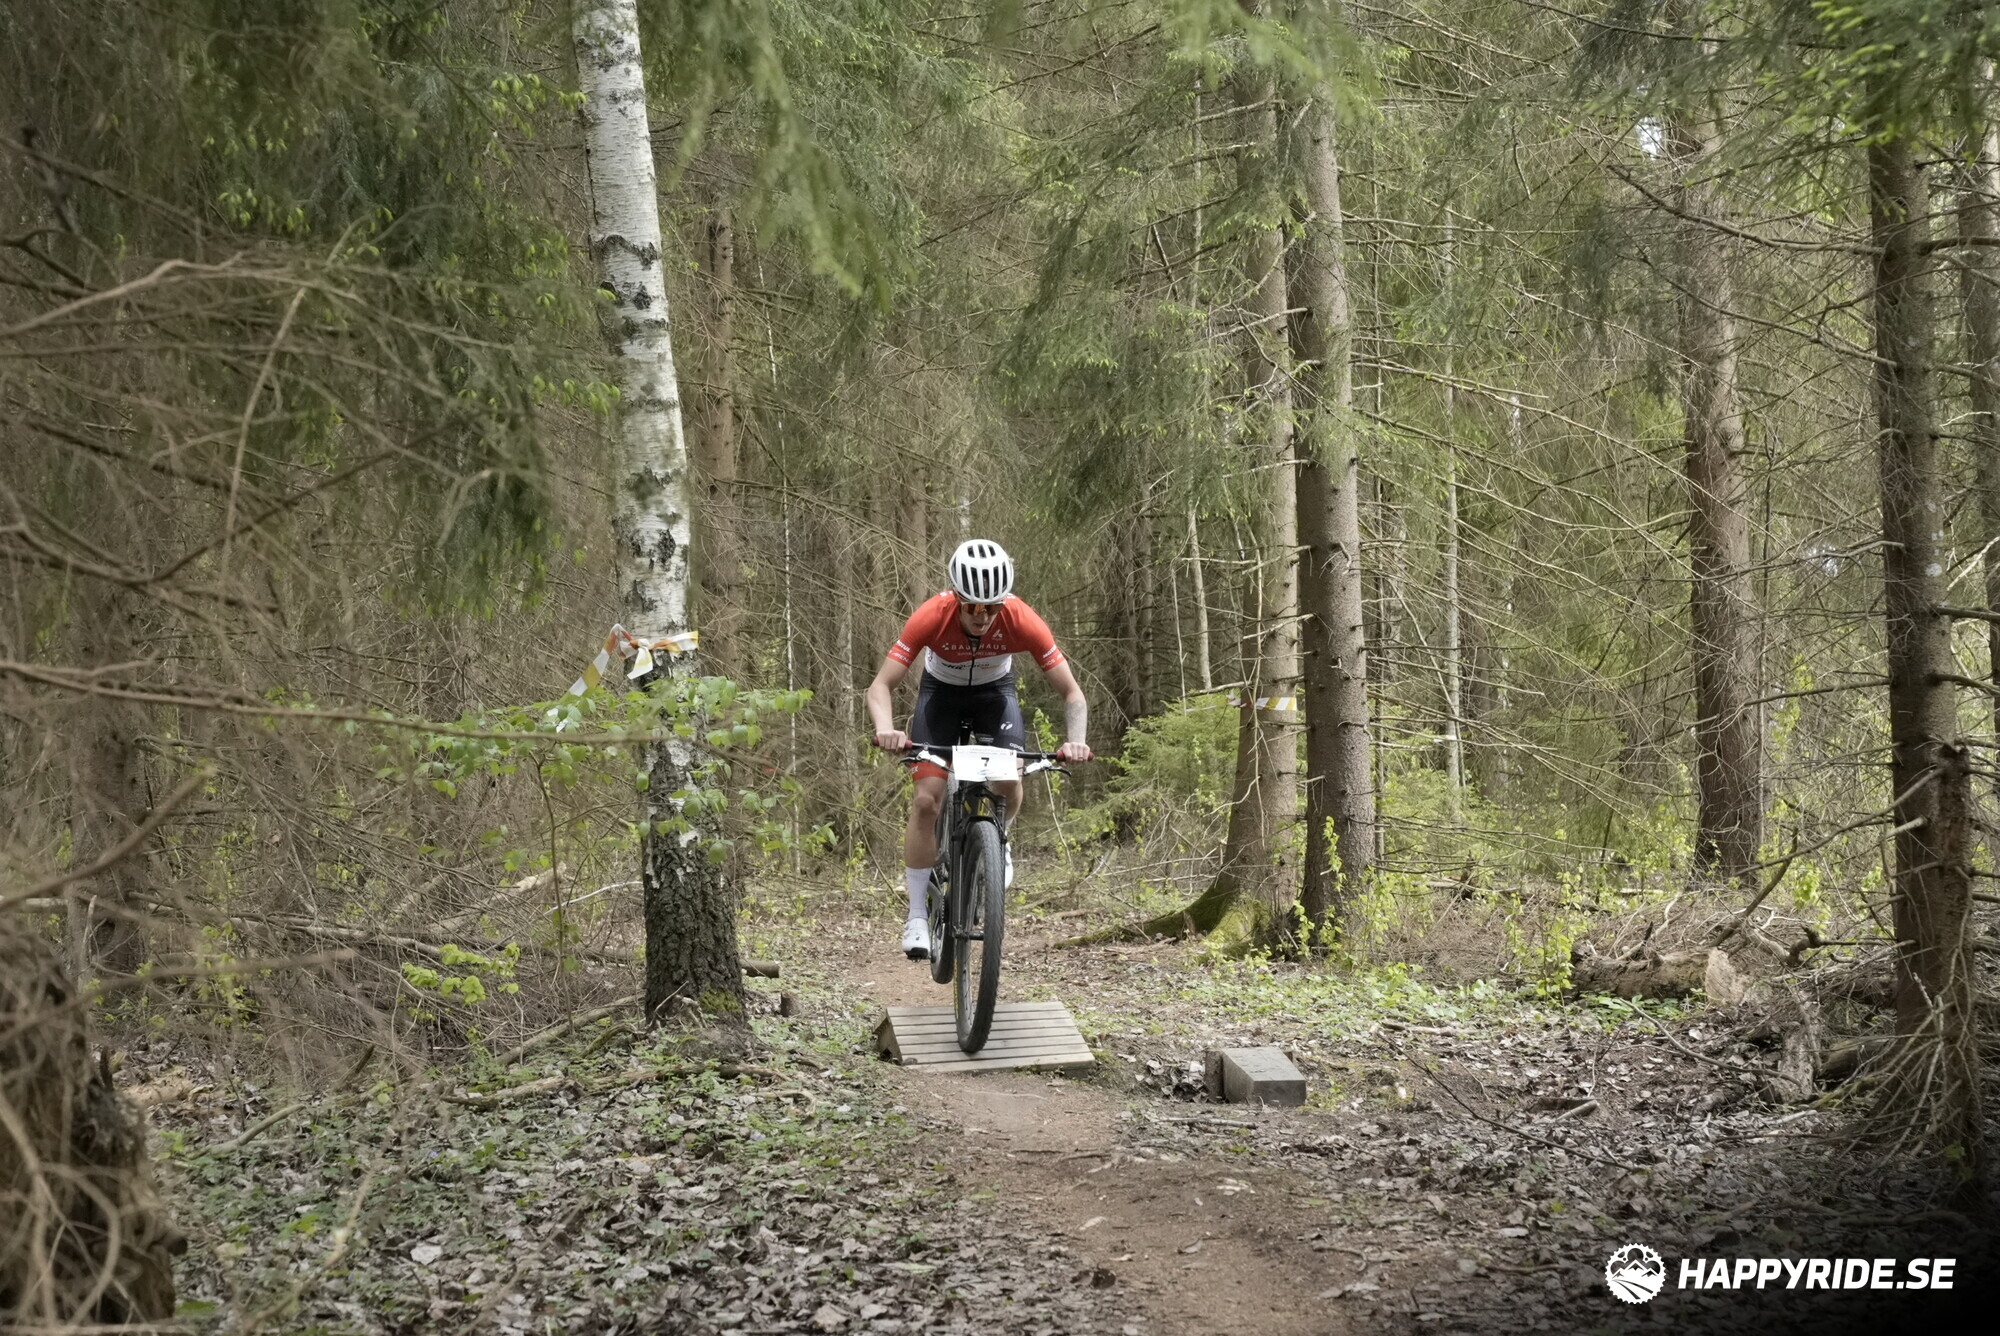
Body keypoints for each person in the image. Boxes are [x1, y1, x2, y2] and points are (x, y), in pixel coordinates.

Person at [866, 539, 1092, 960]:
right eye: (972, 607)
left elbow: (1072, 693)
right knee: (927, 801)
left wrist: (1076, 740)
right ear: (956, 598)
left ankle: (997, 842)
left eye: (992, 607)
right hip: (941, 697)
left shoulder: (1022, 619)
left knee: (1009, 779)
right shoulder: (931, 616)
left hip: (994, 696)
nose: (982, 616)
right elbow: (880, 686)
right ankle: (916, 915)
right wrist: (886, 729)